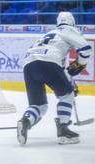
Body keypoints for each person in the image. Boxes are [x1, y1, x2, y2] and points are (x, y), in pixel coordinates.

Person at [17, 12, 92, 146]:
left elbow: (51, 61)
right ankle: (63, 129)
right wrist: (80, 64)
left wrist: (66, 78)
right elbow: (86, 49)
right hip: (48, 63)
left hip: (29, 64)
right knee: (67, 95)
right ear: (73, 22)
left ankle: (25, 121)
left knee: (38, 105)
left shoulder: (50, 33)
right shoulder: (71, 30)